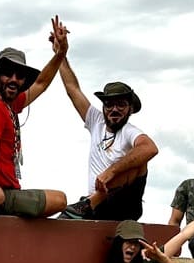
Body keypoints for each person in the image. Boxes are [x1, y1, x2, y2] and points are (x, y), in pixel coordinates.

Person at [0, 20, 70, 219]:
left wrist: (60, 53)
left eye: (19, 75)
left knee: (56, 201)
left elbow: (41, 83)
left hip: (7, 190)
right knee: (59, 200)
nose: (14, 79)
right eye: (8, 73)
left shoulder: (10, 104)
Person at [56, 51, 158, 220]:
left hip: (123, 203)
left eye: (121, 104)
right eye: (109, 104)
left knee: (140, 162)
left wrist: (110, 172)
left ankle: (89, 203)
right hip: (96, 205)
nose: (114, 109)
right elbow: (72, 89)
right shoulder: (96, 121)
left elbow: (150, 148)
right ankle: (88, 204)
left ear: (130, 109)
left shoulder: (129, 131)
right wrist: (60, 54)